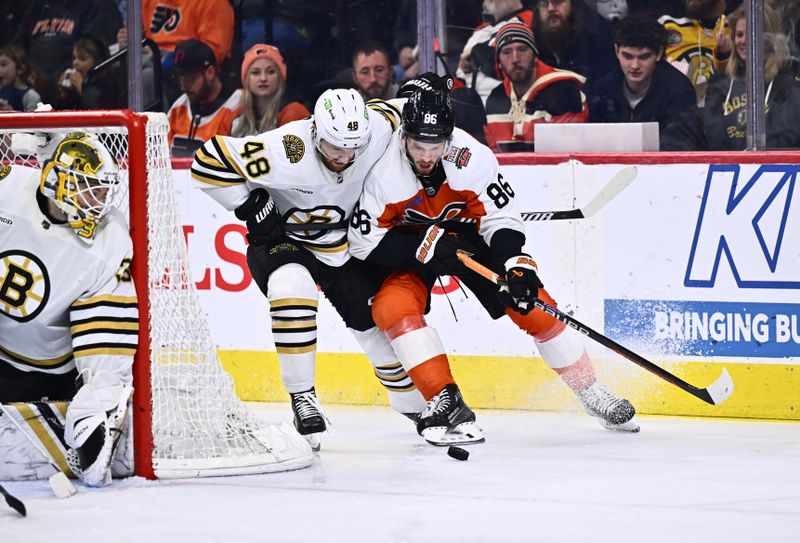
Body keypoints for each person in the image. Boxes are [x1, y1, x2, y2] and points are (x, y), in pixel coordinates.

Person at [349, 89, 640, 446]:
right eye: (417, 146)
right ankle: (445, 399)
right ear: (403, 136)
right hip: (410, 246)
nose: (426, 156)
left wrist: (516, 266)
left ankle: (591, 389)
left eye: (435, 146)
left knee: (529, 302)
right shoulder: (382, 173)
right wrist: (422, 247)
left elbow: (500, 217)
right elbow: (364, 242)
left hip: (469, 237)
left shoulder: (471, 158)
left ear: (449, 139)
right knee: (391, 308)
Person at [191, 86, 444, 450]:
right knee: (293, 289)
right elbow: (207, 160)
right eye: (334, 147)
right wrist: (248, 206)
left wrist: (431, 94)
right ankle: (302, 399)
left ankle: (417, 409)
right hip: (282, 240)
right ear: (315, 132)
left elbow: (410, 109)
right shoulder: (285, 149)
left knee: (376, 333)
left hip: (340, 247)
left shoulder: (377, 128)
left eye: (353, 147)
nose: (344, 157)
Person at [0, 132, 136, 486]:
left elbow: (107, 329)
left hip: (44, 375)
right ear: (60, 181)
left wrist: (101, 394)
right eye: (91, 188)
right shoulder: (7, 188)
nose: (101, 201)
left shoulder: (111, 238)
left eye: (104, 190)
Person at [588, 13, 707, 151]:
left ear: (659, 53)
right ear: (616, 51)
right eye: (627, 56)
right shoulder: (602, 89)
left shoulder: (679, 92)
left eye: (644, 57)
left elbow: (679, 150)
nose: (634, 65)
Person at [704, 5, 800, 150]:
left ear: (770, 38)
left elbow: (788, 137)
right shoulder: (720, 82)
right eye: (739, 34)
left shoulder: (787, 85)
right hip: (728, 169)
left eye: (752, 34)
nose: (743, 41)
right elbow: (712, 137)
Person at [484, 22, 588, 152]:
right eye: (507, 52)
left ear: (534, 56)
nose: (515, 59)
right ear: (498, 62)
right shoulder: (496, 98)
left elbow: (563, 158)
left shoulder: (563, 91)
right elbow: (494, 157)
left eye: (522, 50)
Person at [11, 0, 122, 106]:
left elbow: (92, 54)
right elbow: (17, 48)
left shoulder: (98, 6)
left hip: (73, 92)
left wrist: (70, 81)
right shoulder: (39, 5)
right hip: (30, 90)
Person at [167, 39, 241, 157]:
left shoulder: (238, 107)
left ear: (210, 72)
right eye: (180, 79)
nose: (183, 87)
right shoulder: (178, 108)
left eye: (190, 79)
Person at [456, 0, 534, 104]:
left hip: (505, 108)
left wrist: (475, 52)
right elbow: (460, 79)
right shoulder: (479, 31)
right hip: (472, 110)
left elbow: (503, 65)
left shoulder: (530, 20)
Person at [533, 0, 617, 94]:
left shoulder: (597, 35)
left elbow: (601, 90)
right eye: (544, 3)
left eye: (558, 1)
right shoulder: (536, 34)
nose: (551, 8)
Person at [658, 0, 729, 107]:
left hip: (724, 112)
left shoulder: (738, 26)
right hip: (674, 111)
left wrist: (724, 56)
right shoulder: (666, 24)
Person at [231, 43, 310, 138]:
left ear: (280, 77)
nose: (263, 78)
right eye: (255, 73)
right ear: (246, 79)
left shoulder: (293, 111)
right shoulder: (236, 111)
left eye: (270, 72)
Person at [56, 35, 123, 110]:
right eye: (74, 58)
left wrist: (81, 88)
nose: (75, 63)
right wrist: (64, 95)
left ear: (98, 62)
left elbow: (100, 113)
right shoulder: (72, 87)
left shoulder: (109, 86)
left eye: (82, 59)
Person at [0, 45, 41, 112]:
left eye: (3, 65)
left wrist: (11, 113)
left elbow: (33, 121)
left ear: (20, 69)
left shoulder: (31, 96)